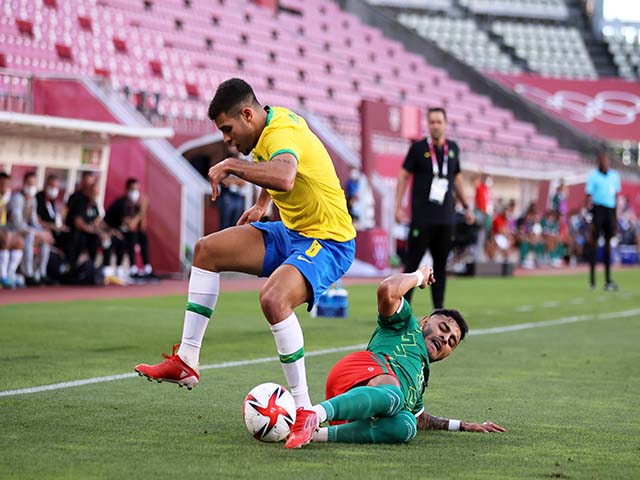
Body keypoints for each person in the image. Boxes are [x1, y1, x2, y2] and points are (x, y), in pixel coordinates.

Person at [134, 79, 356, 432]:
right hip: (292, 232)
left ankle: (303, 411)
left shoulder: (280, 130)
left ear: (248, 114)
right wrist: (261, 204)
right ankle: (186, 360)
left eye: (227, 128)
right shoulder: (266, 129)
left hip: (328, 241)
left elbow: (284, 174)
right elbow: (280, 169)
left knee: (273, 298)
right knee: (206, 250)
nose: (226, 138)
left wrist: (232, 166)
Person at [285, 266, 505, 449]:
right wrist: (419, 276)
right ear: (425, 321)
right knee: (395, 396)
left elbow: (422, 419)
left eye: (451, 341)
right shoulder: (406, 324)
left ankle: (314, 434)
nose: (444, 338)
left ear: (447, 355)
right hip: (357, 372)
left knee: (407, 424)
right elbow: (387, 290)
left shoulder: (420, 380)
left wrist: (463, 425)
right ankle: (312, 413)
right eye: (443, 328)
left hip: (366, 406)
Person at [395, 107, 474, 309]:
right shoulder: (418, 148)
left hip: (445, 218)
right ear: (428, 125)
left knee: (440, 267)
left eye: (439, 121)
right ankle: (402, 310)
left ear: (446, 124)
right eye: (432, 122)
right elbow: (403, 176)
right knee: (412, 264)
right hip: (422, 217)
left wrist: (467, 206)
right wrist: (398, 206)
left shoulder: (453, 149)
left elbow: (457, 178)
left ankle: (438, 310)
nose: (436, 125)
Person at [7, 172, 53, 286]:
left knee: (45, 240)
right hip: (12, 230)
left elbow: (34, 222)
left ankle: (41, 272)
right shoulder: (17, 198)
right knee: (30, 237)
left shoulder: (33, 200)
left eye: (33, 184)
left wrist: (43, 233)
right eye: (29, 184)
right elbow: (17, 223)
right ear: (24, 184)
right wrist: (37, 233)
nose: (31, 187)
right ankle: (28, 273)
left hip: (25, 230)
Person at [104, 178, 154, 279]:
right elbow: (130, 226)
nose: (135, 193)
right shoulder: (121, 203)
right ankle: (133, 268)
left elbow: (142, 228)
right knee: (132, 236)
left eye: (137, 190)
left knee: (142, 236)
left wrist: (142, 212)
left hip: (125, 233)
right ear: (127, 190)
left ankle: (147, 268)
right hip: (111, 231)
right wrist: (141, 212)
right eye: (132, 190)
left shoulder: (135, 205)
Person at [585, 151, 620, 290]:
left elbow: (616, 197)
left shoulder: (614, 176)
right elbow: (588, 197)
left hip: (610, 211)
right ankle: (592, 281)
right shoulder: (593, 176)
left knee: (607, 245)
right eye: (602, 161)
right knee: (593, 244)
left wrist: (615, 218)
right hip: (597, 210)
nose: (605, 163)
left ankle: (608, 281)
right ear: (598, 162)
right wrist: (589, 218)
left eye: (607, 161)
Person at [0, 172, 25, 288]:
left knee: (19, 241)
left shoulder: (6, 199)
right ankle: (2, 275)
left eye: (7, 185)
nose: (4, 188)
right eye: (2, 185)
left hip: (4, 229)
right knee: (6, 237)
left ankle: (10, 273)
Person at [36, 174, 66, 246]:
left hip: (54, 230)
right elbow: (37, 221)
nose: (54, 189)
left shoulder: (52, 200)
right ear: (45, 185)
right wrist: (52, 226)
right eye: (52, 186)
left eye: (56, 187)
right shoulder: (39, 199)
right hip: (43, 230)